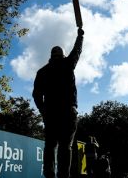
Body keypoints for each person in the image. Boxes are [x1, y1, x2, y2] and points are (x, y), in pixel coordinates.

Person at [32, 27, 84, 178]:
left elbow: (36, 95)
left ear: (50, 56)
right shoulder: (68, 64)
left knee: (50, 147)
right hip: (68, 112)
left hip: (51, 114)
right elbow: (77, 51)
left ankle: (49, 175)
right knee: (65, 147)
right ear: (62, 55)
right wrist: (80, 36)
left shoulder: (42, 72)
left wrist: (43, 111)